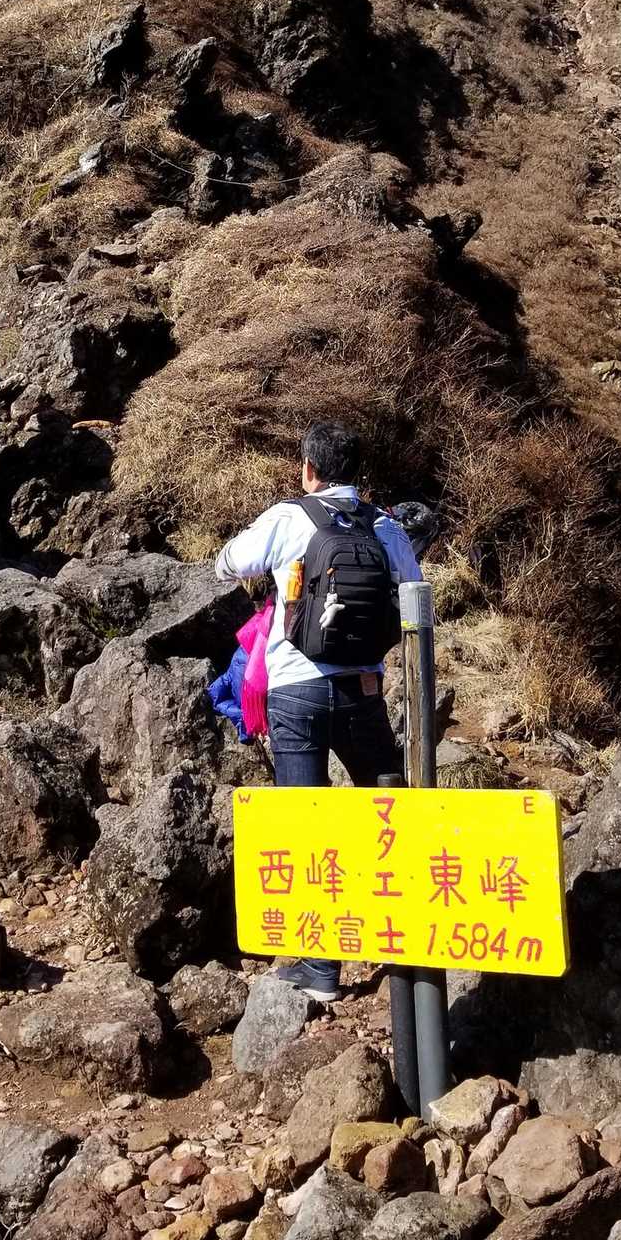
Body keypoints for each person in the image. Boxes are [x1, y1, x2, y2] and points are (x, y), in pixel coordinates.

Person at [215, 418, 422, 1000]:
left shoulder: (288, 518)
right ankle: (407, 935)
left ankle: (320, 967)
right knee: (389, 813)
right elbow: (414, 592)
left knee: (305, 822)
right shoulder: (384, 526)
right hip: (363, 690)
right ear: (357, 472)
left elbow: (229, 562)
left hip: (295, 692)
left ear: (309, 469)